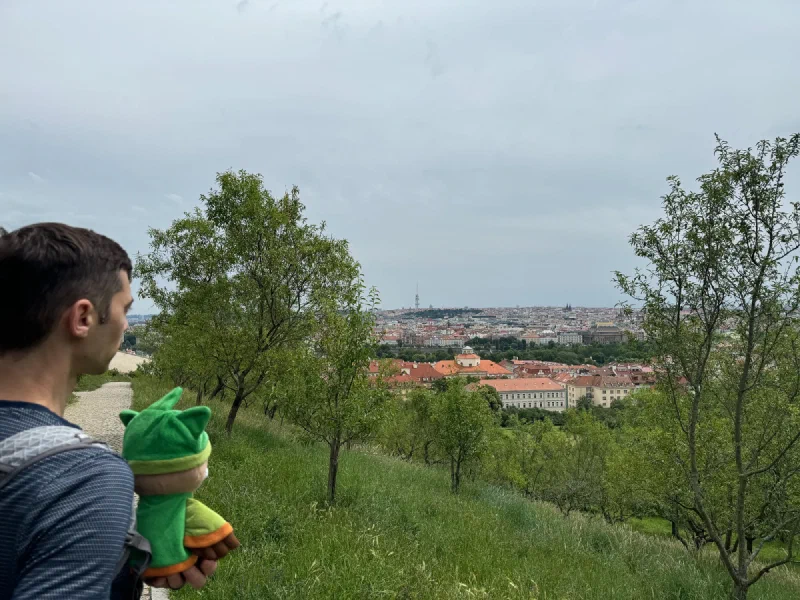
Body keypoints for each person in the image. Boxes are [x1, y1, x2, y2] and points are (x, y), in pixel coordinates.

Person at [0, 223, 216, 599]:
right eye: (124, 309)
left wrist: (113, 565)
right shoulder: (81, 479)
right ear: (83, 317)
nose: (126, 324)